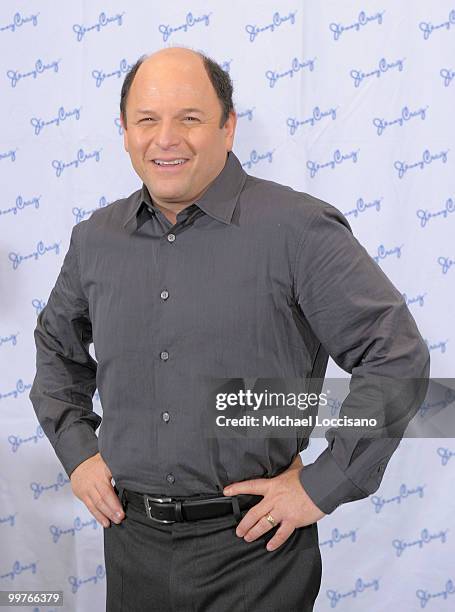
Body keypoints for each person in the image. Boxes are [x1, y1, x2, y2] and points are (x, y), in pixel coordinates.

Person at [30, 46, 430, 611]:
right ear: (124, 131)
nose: (165, 138)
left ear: (228, 127)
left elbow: (394, 356)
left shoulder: (299, 229)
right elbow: (56, 350)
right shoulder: (94, 240)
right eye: (147, 120)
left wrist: (324, 483)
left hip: (255, 554)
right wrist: (78, 450)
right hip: (129, 545)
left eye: (189, 118)